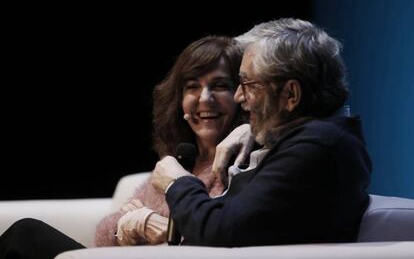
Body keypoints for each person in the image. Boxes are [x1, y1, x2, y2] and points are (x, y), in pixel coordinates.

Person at [0, 35, 246, 258]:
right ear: (179, 100)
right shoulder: (177, 161)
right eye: (192, 87)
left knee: (27, 234)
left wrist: (146, 221)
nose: (204, 98)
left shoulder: (242, 162)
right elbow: (104, 235)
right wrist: (129, 226)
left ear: (242, 94)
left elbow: (212, 232)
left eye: (220, 86)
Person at [151, 18, 373, 247]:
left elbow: (221, 228)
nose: (238, 96)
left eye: (249, 84)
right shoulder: (318, 139)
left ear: (291, 94)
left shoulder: (317, 148)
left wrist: (177, 183)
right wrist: (261, 134)